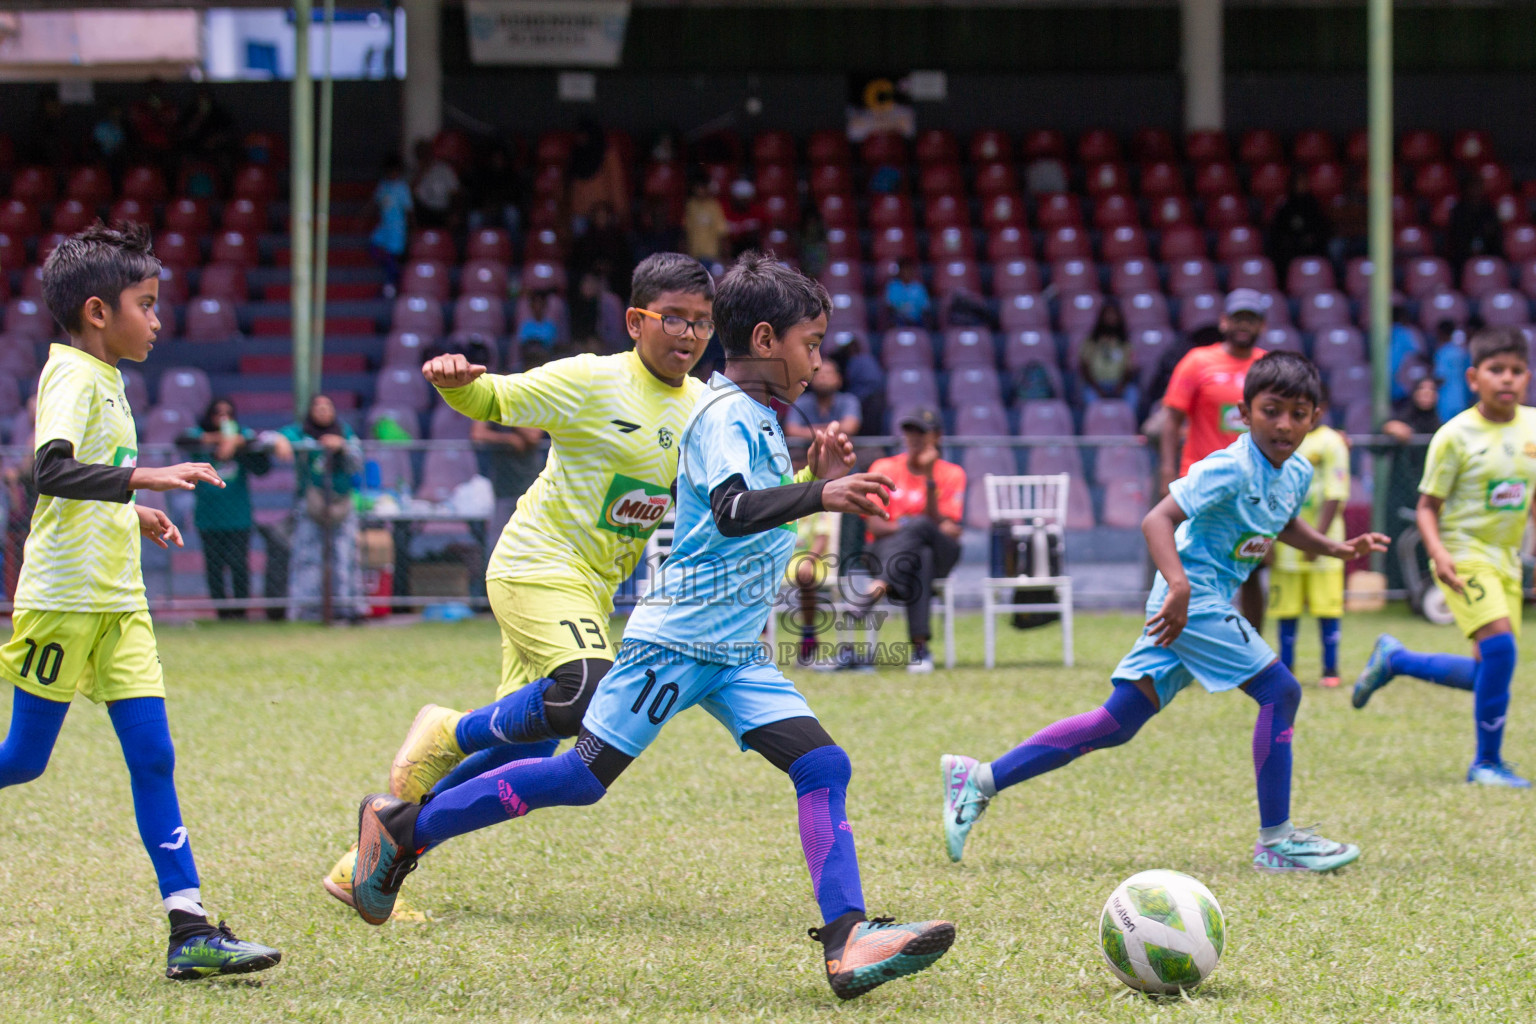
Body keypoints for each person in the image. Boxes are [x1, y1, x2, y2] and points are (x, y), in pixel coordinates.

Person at [346, 251, 955, 1001]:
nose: (820, 361)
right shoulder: (724, 412)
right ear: (766, 339)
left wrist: (807, 477)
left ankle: (847, 941)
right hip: (675, 640)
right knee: (577, 777)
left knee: (824, 766)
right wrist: (821, 490)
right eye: (813, 342)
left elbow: (761, 526)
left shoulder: (757, 418)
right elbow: (732, 512)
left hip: (734, 651)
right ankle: (405, 830)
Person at [321, 253, 716, 905]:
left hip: (588, 588)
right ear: (635, 321)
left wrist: (810, 483)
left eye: (702, 323)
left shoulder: (703, 407)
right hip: (536, 565)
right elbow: (495, 398)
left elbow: (737, 487)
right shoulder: (592, 380)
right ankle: (450, 730)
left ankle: (367, 860)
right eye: (674, 318)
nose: (689, 335)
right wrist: (455, 381)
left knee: (525, 748)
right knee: (588, 691)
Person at [943, 352, 1388, 872]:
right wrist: (1178, 585)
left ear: (1315, 417)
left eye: (1298, 412)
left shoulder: (1297, 473)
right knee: (1281, 691)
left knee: (1117, 721)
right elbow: (1158, 518)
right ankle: (1277, 841)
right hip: (1190, 597)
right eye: (1272, 410)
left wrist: (1335, 548)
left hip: (1200, 602)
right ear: (1244, 414)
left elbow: (1281, 522)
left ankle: (978, 779)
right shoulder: (1229, 466)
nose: (1284, 423)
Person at [0, 223, 280, 978]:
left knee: (154, 757)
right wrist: (146, 479)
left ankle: (189, 932)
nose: (158, 321)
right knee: (23, 761)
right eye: (146, 305)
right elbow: (50, 473)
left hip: (120, 604)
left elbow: (91, 483)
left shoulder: (110, 381)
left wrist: (132, 509)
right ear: (98, 312)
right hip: (64, 601)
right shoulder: (70, 375)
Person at [1352, 327, 1536, 788]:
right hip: (1462, 554)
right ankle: (1486, 764)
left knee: (1489, 670)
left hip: (1506, 559)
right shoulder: (1454, 435)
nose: (1507, 379)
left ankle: (1396, 660)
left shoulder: (1533, 426)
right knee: (1502, 649)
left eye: (1516, 370)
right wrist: (1438, 553)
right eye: (1496, 370)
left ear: (1527, 376)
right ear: (1474, 378)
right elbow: (1427, 507)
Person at [1160, 289, 1270, 630]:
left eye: (1250, 319)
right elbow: (1171, 419)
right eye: (1237, 318)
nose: (1243, 325)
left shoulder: (1268, 366)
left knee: (1252, 566)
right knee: (1193, 568)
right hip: (1201, 481)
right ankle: (1182, 643)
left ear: (1261, 326)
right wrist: (1167, 469)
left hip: (1252, 483)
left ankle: (1251, 648)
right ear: (1224, 322)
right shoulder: (1197, 361)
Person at [856, 408, 965, 672]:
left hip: (941, 554)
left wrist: (929, 480)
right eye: (909, 431)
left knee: (922, 528)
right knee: (920, 555)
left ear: (937, 437)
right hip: (885, 553)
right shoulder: (883, 468)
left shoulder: (951, 473)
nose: (914, 438)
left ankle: (880, 584)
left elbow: (948, 530)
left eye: (922, 432)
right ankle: (920, 649)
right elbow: (875, 525)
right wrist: (910, 526)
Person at [1268, 388, 1351, 687]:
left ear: (1320, 409)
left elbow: (1335, 493)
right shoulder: (1280, 440)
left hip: (1325, 544)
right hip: (1285, 543)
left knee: (1327, 608)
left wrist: (1318, 540)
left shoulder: (1331, 442)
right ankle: (1286, 670)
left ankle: (1331, 670)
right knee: (1285, 609)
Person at [177, 397, 273, 620]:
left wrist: (237, 444)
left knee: (239, 563)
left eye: (228, 414)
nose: (222, 419)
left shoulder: (242, 437)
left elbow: (262, 462)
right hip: (208, 515)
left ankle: (241, 611)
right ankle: (222, 611)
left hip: (238, 515)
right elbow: (180, 440)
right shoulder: (199, 436)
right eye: (217, 414)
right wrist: (215, 439)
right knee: (214, 565)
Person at [279, 394, 364, 621]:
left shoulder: (344, 432)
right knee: (308, 557)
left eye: (328, 406)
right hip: (311, 504)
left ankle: (346, 607)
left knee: (344, 555)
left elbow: (359, 462)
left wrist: (342, 447)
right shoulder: (301, 432)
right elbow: (272, 438)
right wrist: (281, 442)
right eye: (318, 406)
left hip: (342, 503)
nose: (323, 410)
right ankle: (306, 610)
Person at [1266, 170, 1332, 282]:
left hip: (1313, 248)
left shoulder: (1314, 204)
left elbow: (1322, 229)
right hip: (1291, 249)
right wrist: (1294, 241)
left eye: (1304, 182)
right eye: (1299, 182)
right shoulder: (1285, 207)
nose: (1302, 185)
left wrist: (1312, 239)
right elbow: (1278, 232)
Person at [368, 154, 413, 296]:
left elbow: (409, 210)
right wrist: (362, 218)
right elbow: (375, 203)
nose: (391, 174)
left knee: (392, 257)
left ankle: (392, 283)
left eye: (394, 171)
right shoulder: (383, 185)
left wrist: (412, 229)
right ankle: (393, 276)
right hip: (384, 227)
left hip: (397, 229)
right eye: (389, 171)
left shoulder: (402, 188)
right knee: (373, 245)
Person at [1078, 301, 1136, 408]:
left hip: (1118, 385)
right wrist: (1098, 389)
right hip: (1096, 385)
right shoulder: (1091, 342)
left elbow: (1129, 369)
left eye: (1114, 315)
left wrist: (1120, 387)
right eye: (1108, 315)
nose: (1111, 318)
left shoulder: (1124, 344)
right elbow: (1084, 367)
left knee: (1132, 393)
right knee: (1089, 396)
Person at [787, 358, 861, 440]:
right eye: (817, 374)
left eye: (828, 373)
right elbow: (791, 430)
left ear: (839, 379)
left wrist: (806, 432)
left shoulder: (849, 401)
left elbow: (849, 428)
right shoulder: (800, 402)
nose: (822, 377)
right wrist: (834, 430)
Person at [1445, 178, 1503, 275]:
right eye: (1473, 187)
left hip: (1489, 251)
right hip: (1463, 256)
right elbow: (1456, 237)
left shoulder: (1489, 209)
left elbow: (1495, 234)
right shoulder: (1458, 211)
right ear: (1467, 189)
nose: (1476, 191)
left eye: (1479, 187)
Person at [411, 139, 460, 230]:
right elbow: (409, 195)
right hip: (423, 211)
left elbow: (455, 193)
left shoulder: (444, 169)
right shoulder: (413, 171)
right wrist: (421, 172)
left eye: (426, 151)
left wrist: (454, 213)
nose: (424, 155)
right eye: (421, 153)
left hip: (442, 210)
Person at [1431, 320, 1472, 423]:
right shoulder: (1462, 352)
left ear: (1440, 333)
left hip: (1445, 398)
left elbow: (1440, 376)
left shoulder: (1443, 352)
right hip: (1461, 397)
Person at [684, 177, 729, 263]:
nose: (700, 190)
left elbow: (721, 231)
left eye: (702, 188)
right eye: (698, 187)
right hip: (694, 254)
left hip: (711, 254)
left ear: (707, 189)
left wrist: (724, 254)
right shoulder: (690, 205)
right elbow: (687, 229)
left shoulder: (714, 206)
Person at [884, 258, 932, 328]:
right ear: (900, 271)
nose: (907, 272)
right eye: (904, 270)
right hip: (898, 320)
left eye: (909, 270)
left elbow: (925, 307)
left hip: (917, 321)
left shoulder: (919, 287)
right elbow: (890, 306)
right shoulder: (893, 286)